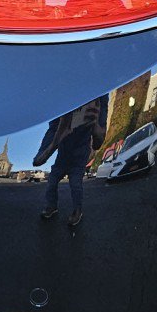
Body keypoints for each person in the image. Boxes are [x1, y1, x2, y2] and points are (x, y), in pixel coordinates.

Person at [33, 96, 108, 227]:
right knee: (52, 180)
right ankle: (52, 206)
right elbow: (53, 128)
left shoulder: (99, 99)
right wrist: (50, 146)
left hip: (80, 152)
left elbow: (98, 143)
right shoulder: (65, 98)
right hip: (63, 151)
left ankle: (77, 210)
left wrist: (95, 124)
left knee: (76, 183)